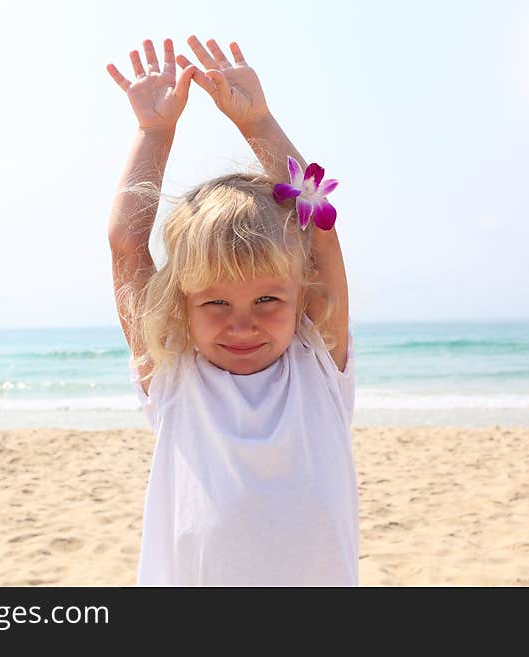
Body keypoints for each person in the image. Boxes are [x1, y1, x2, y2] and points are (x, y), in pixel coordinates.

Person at [106, 35, 357, 586]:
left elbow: (318, 225)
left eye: (267, 299)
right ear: (180, 307)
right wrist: (154, 133)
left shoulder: (318, 364)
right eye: (215, 301)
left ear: (303, 294)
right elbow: (127, 243)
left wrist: (258, 122)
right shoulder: (174, 376)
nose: (241, 323)